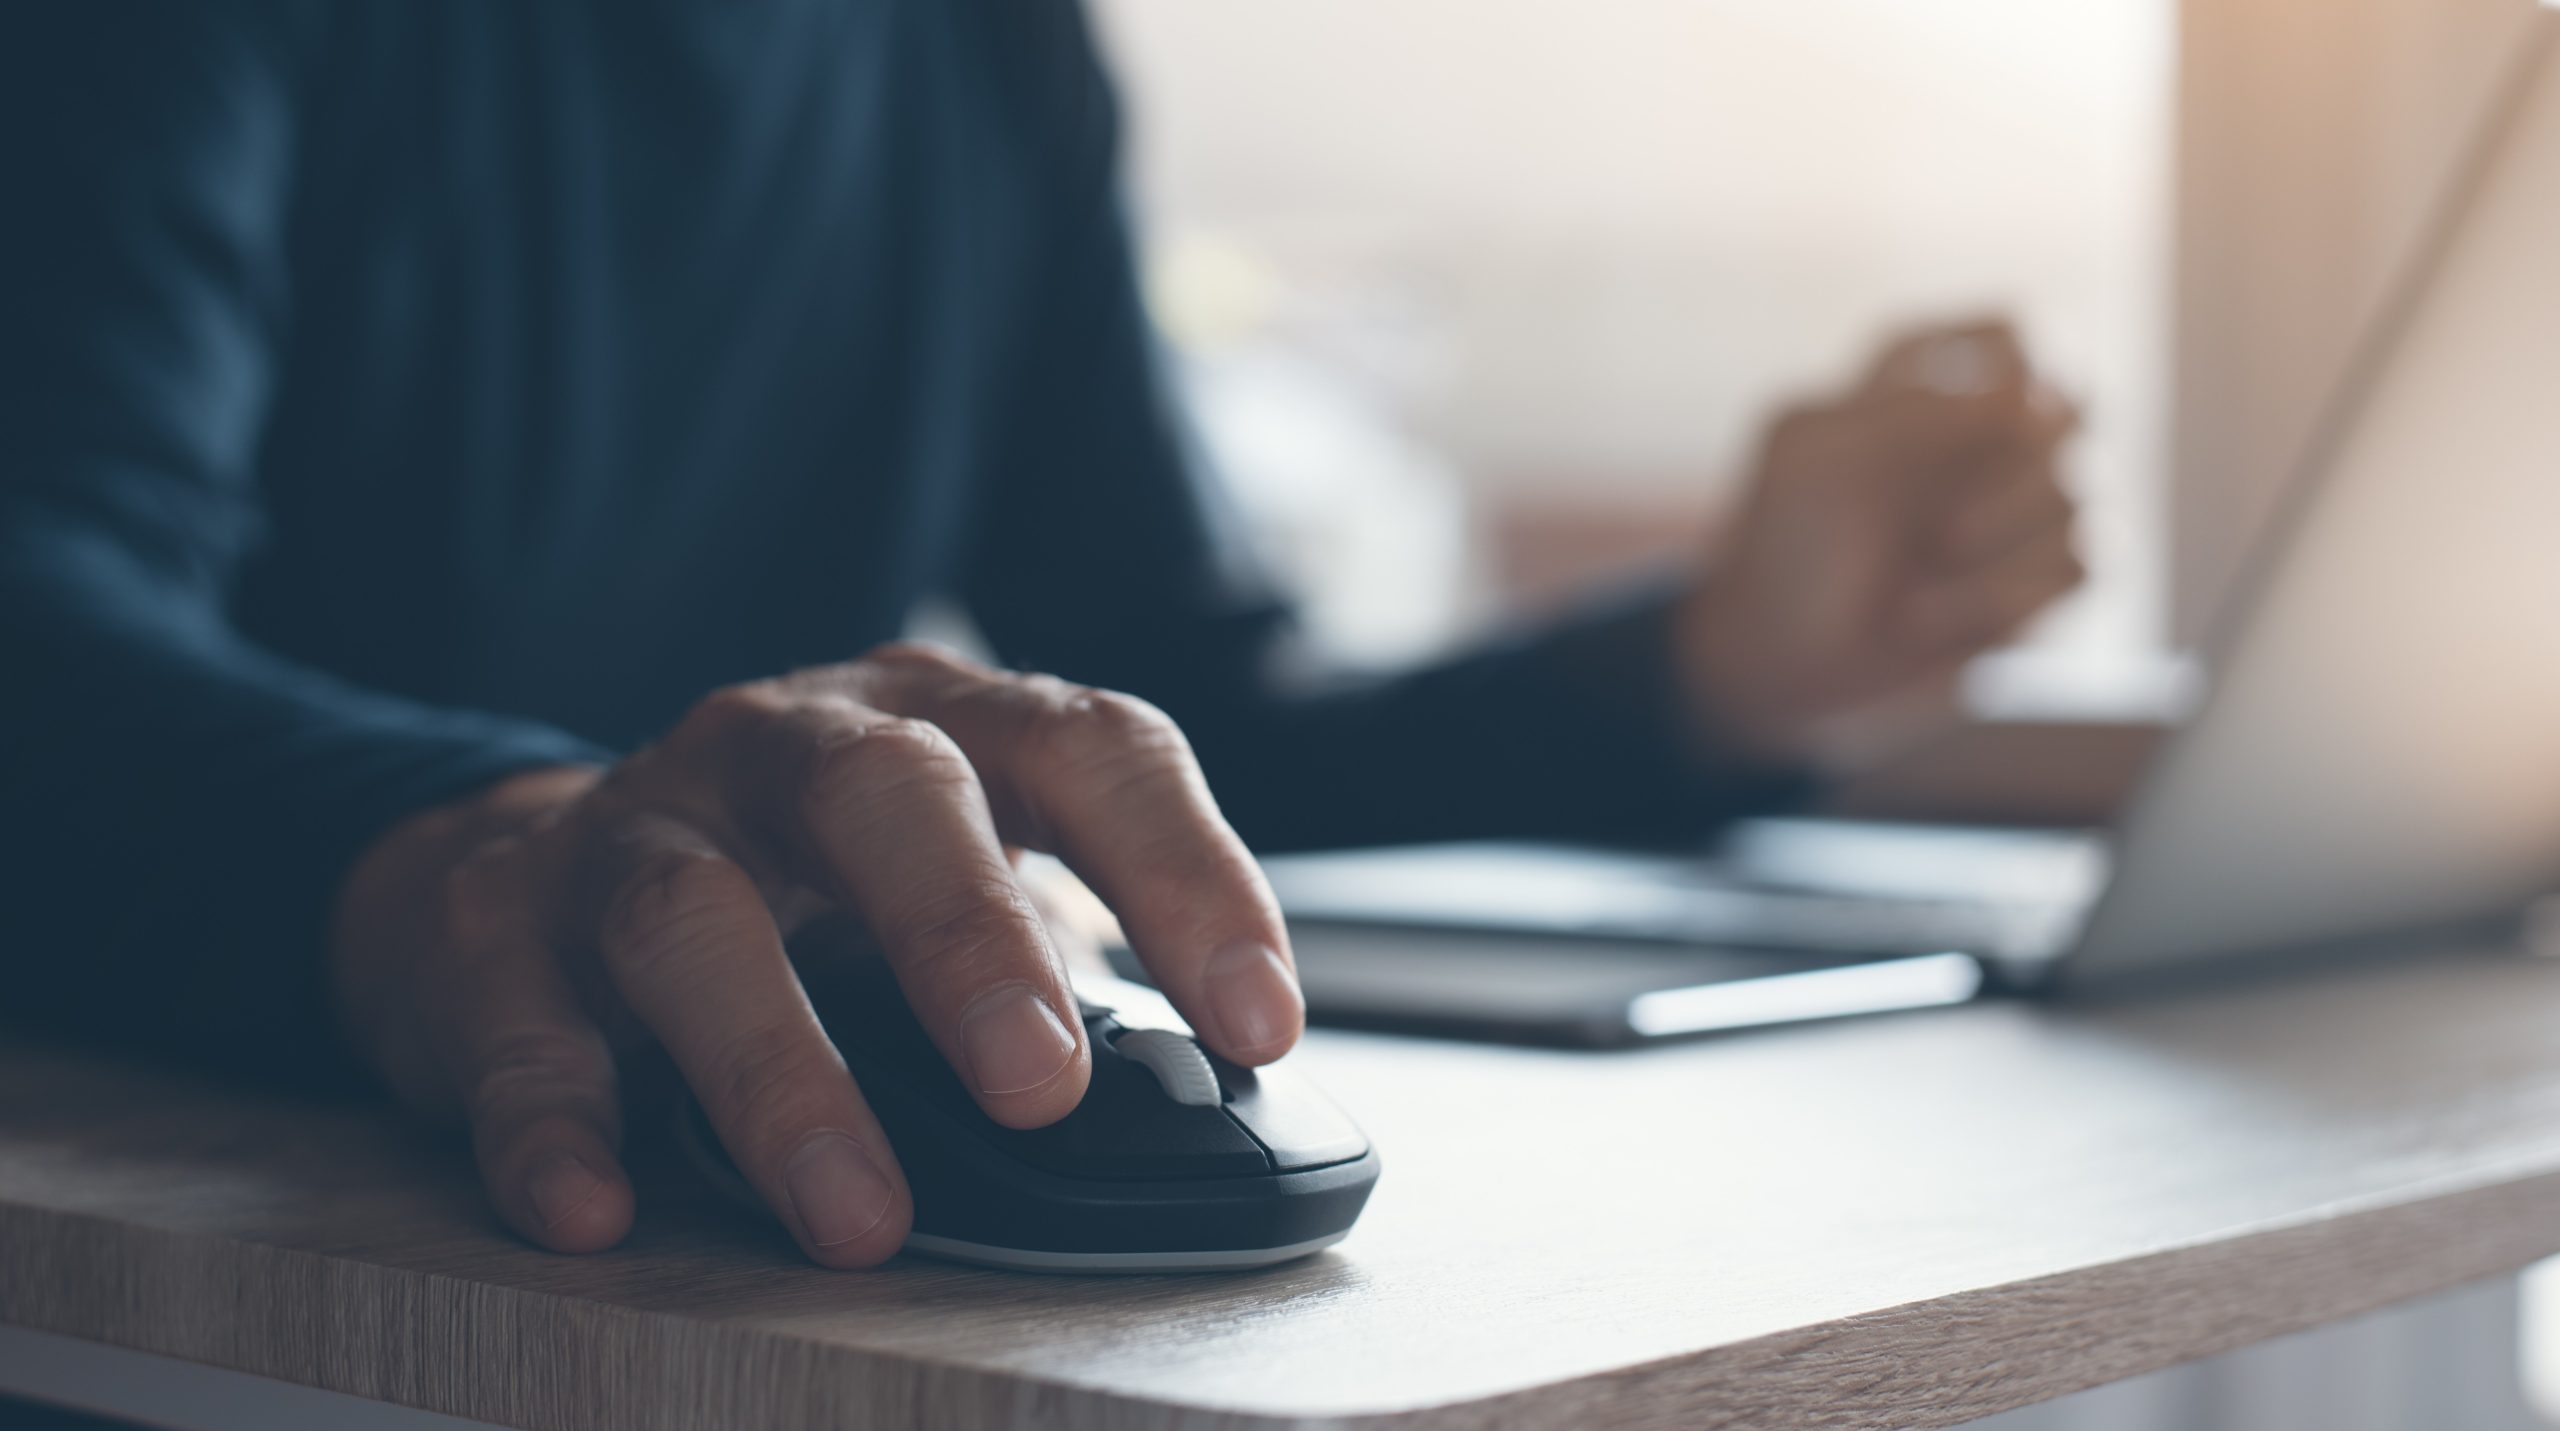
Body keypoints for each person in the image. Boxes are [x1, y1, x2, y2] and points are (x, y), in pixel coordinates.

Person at [0, 3, 2079, 1269]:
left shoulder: (983, 43)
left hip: (712, 1243)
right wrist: (481, 849)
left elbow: (1184, 717)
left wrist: (1715, 671)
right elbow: (40, 616)